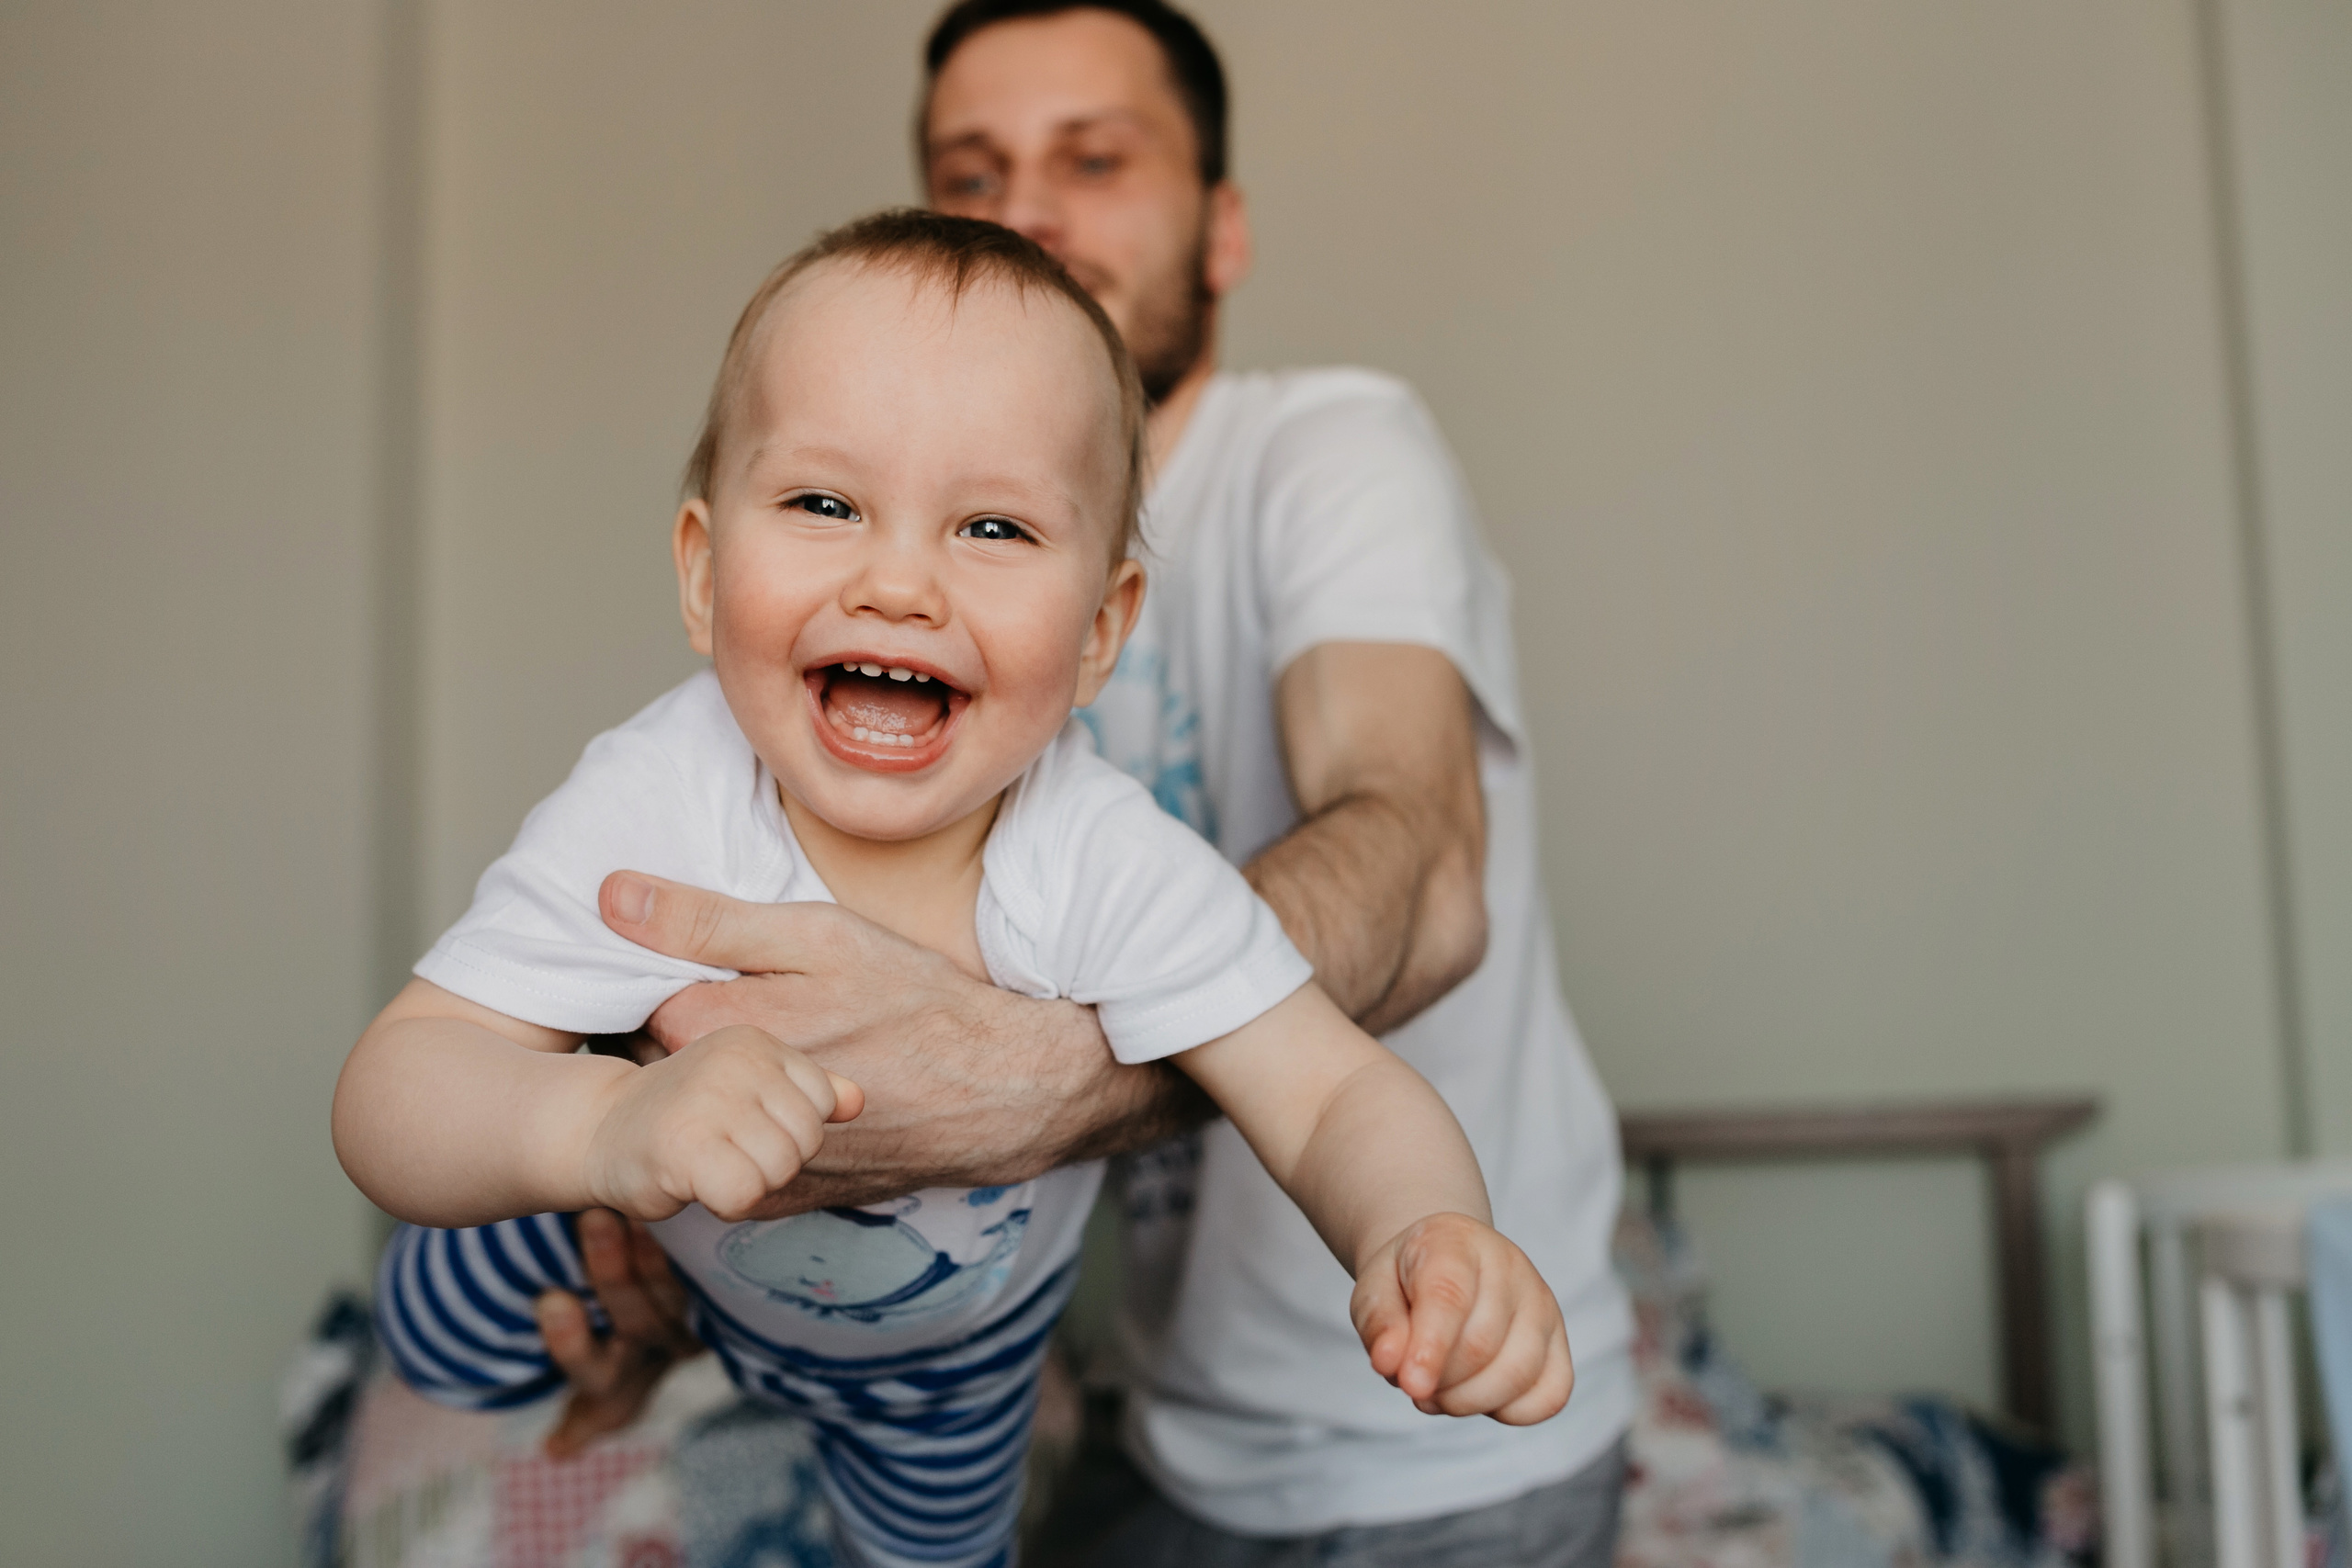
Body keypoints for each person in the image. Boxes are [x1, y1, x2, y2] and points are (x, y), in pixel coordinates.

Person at [383, 3, 1636, 1563]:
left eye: (1094, 159)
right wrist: (611, 1147)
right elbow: (402, 1091)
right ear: (704, 574)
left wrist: (1424, 1227)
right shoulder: (659, 791)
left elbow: (1388, 961)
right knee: (455, 1307)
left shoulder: (1305, 489)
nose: (901, 584)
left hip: (1301, 1427)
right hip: (1111, 1392)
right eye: (974, 168)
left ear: (1111, 620)